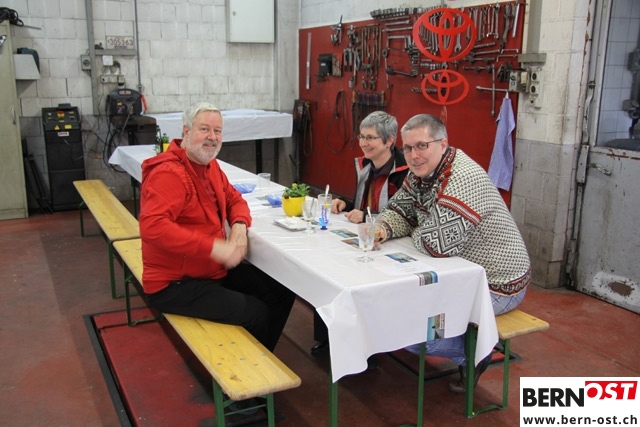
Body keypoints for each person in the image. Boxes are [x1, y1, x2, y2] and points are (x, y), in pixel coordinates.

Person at [375, 113, 530, 392]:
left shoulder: (463, 178)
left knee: (413, 330)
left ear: (443, 144)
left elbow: (436, 245)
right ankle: (465, 343)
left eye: (422, 146)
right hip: (458, 273)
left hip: (497, 284)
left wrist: (413, 226)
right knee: (397, 308)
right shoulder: (421, 172)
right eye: (407, 148)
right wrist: (383, 229)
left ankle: (472, 352)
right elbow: (398, 210)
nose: (414, 155)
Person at [139, 101, 295, 353]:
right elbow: (153, 228)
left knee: (281, 292)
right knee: (256, 313)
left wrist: (239, 228)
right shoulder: (168, 173)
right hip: (175, 284)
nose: (212, 137)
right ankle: (246, 372)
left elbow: (235, 200)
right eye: (204, 129)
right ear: (186, 132)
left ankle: (261, 360)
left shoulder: (210, 166)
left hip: (211, 271)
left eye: (218, 131)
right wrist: (215, 248)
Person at [311, 110, 409, 356]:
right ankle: (329, 338)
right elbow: (361, 203)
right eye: (362, 136)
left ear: (389, 140)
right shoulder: (366, 165)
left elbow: (402, 216)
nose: (363, 143)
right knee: (326, 268)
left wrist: (365, 216)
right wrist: (343, 203)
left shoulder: (406, 171)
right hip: (365, 236)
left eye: (370, 138)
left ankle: (365, 347)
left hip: (392, 242)